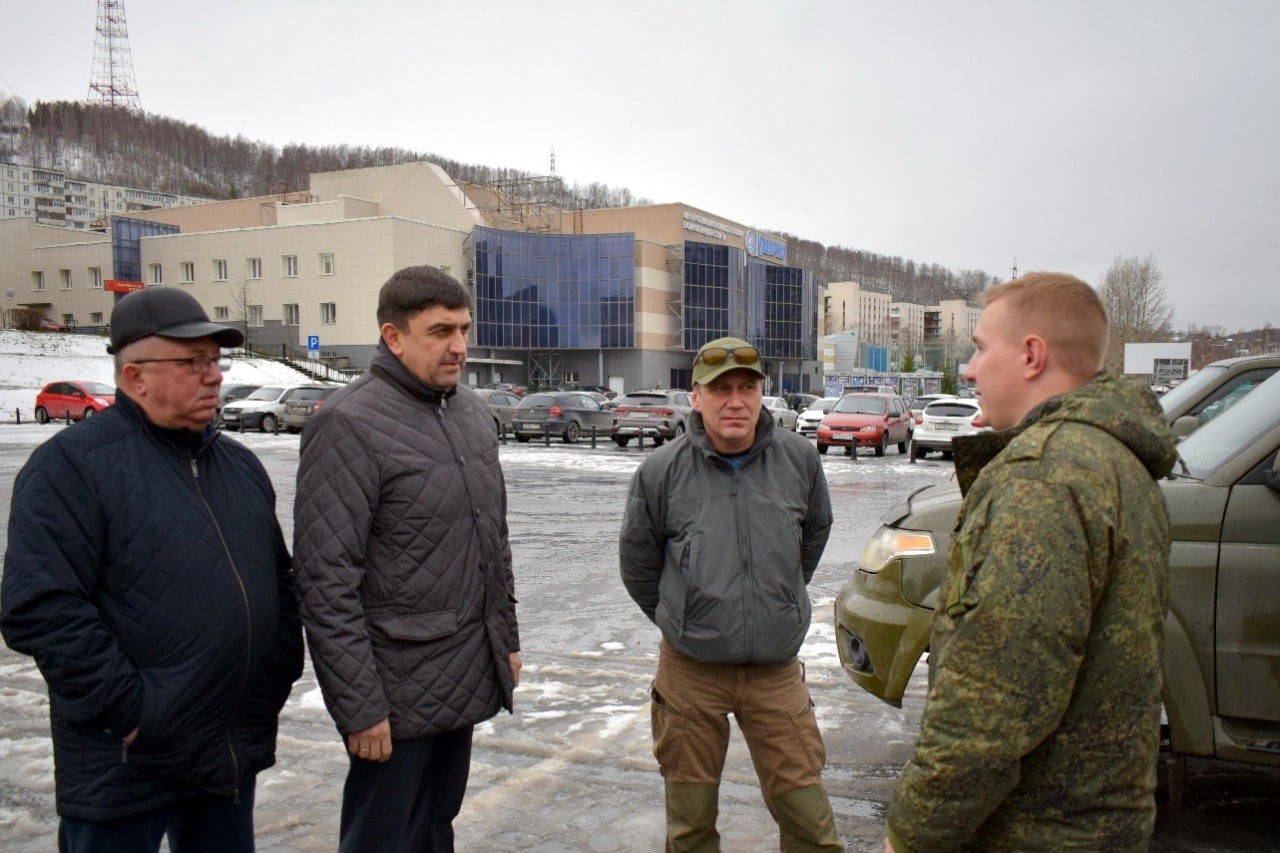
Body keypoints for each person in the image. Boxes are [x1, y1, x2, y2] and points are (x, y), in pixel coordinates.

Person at [1, 286, 304, 853]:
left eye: (215, 360)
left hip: (226, 753)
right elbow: (40, 609)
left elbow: (279, 588)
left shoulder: (239, 467)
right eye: (193, 362)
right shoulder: (69, 468)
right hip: (126, 762)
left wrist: (274, 675)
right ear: (135, 377)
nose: (213, 375)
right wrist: (133, 713)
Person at [884, 273, 1178, 852]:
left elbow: (992, 707)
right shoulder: (1114, 460)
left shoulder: (1042, 478)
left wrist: (911, 834)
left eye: (980, 348)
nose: (968, 370)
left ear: (1031, 355)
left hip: (1035, 831)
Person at [293, 265, 522, 853]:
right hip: (390, 693)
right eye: (440, 331)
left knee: (435, 827)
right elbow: (325, 581)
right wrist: (359, 706)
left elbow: (491, 543)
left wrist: (505, 641)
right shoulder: (347, 423)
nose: (459, 347)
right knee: (382, 840)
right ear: (393, 337)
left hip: (462, 670)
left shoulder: (470, 414)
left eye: (464, 329)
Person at [620, 336, 844, 851]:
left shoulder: (800, 461)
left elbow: (812, 537)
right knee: (691, 827)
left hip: (775, 674)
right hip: (690, 674)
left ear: (763, 391)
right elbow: (638, 563)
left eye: (747, 387)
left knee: (811, 824)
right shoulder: (662, 471)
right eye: (720, 389)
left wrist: (777, 603)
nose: (735, 400)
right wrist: (686, 616)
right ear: (696, 397)